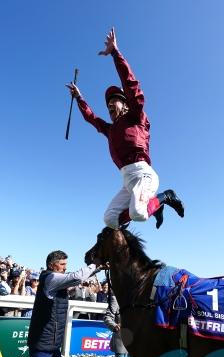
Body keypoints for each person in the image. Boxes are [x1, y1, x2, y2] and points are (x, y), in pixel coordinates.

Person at [67, 28, 184, 229]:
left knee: (137, 213)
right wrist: (79, 98)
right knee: (110, 220)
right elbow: (91, 118)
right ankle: (152, 206)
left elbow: (131, 85)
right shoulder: (110, 129)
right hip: (127, 180)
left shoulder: (136, 116)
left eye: (114, 101)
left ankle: (166, 196)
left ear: (126, 104)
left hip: (143, 174)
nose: (110, 106)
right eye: (108, 105)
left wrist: (115, 53)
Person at [22, 250, 100, 357]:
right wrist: (96, 264)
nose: (65, 268)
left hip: (52, 345)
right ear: (52, 265)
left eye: (66, 264)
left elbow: (75, 281)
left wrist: (99, 267)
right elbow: (76, 277)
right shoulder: (50, 278)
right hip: (42, 345)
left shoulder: (57, 281)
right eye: (62, 264)